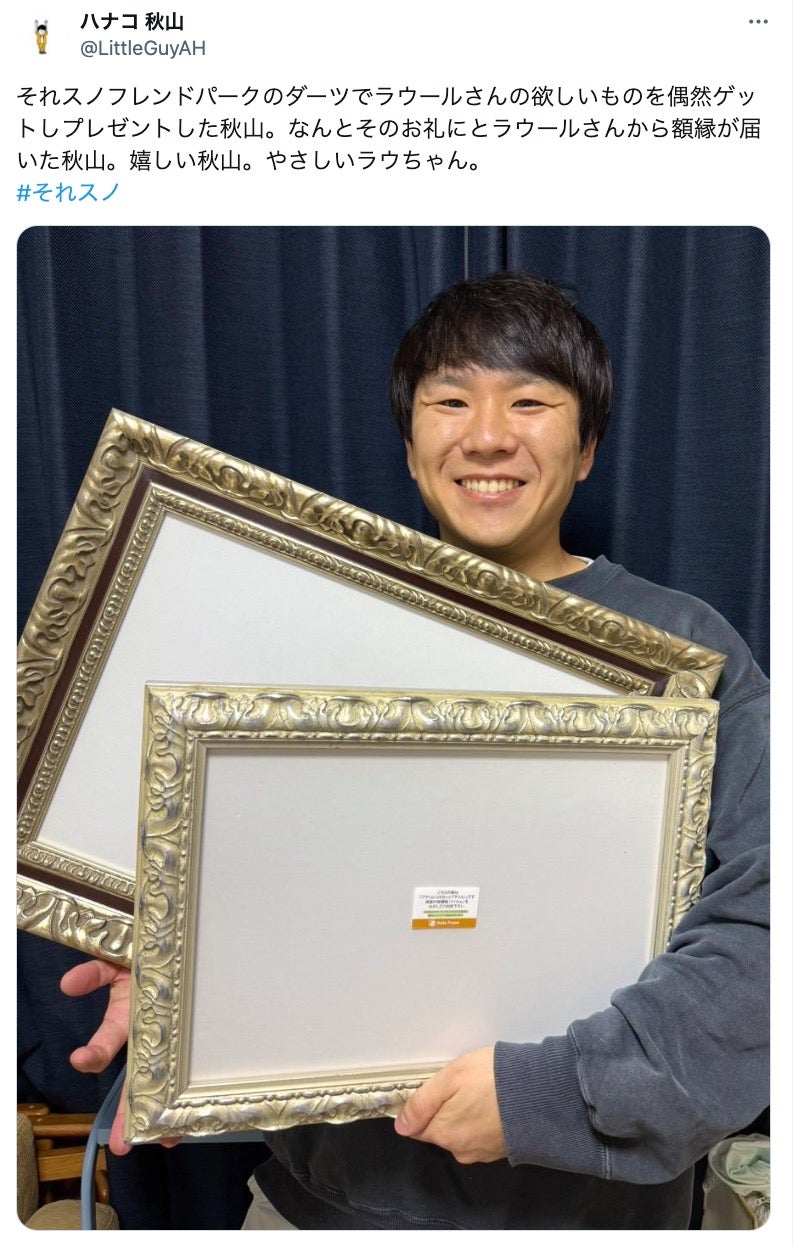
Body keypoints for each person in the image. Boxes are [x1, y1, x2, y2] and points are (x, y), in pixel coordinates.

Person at [61, 271, 769, 1229]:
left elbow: (767, 917)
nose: (488, 435)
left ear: (588, 448)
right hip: (314, 1211)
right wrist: (185, 982)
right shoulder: (315, 632)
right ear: (409, 443)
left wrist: (549, 1095)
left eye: (531, 402)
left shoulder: (686, 653)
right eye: (451, 401)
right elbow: (264, 875)